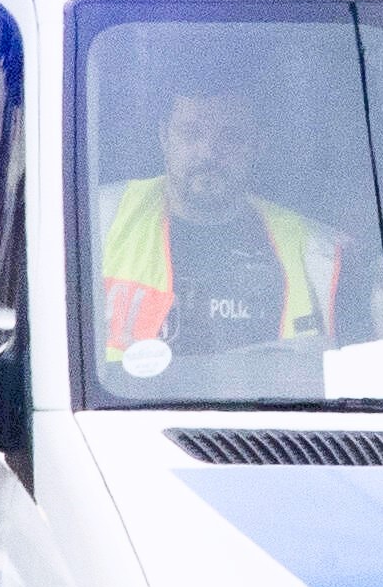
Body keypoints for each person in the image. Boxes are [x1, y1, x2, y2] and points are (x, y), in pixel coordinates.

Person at [92, 68, 348, 371]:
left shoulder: (318, 253)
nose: (208, 153)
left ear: (258, 144)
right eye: (190, 133)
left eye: (231, 137)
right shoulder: (96, 222)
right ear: (164, 137)